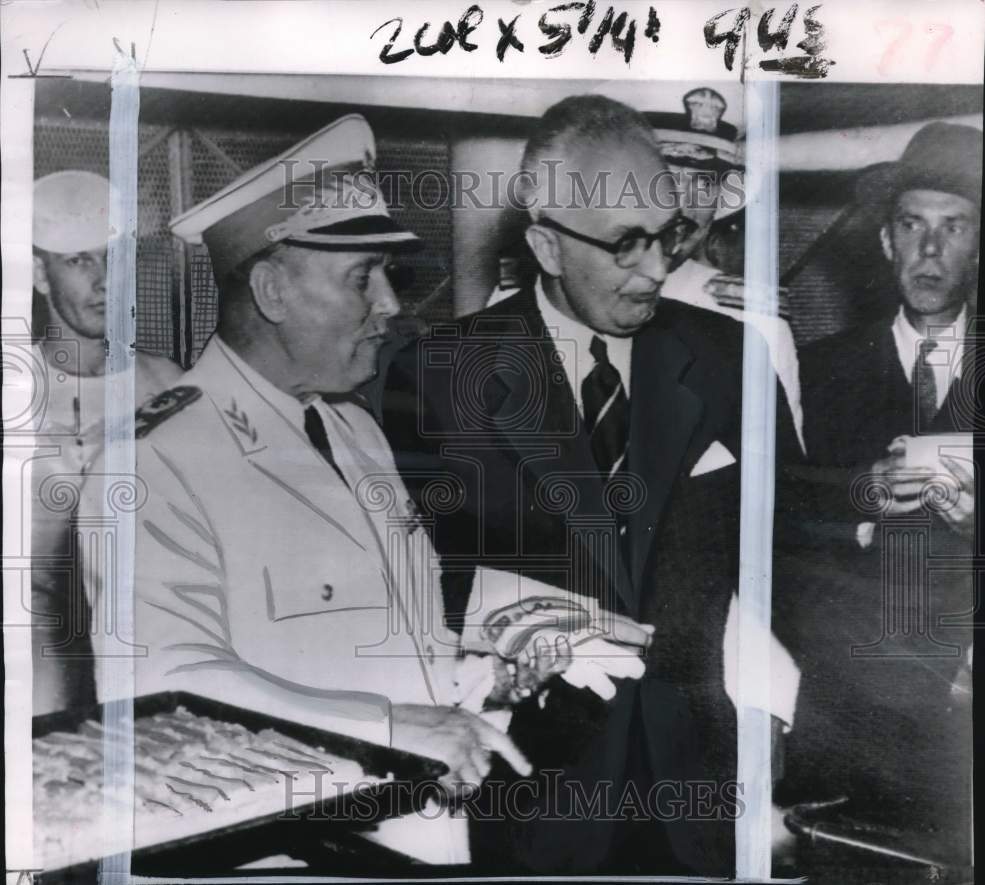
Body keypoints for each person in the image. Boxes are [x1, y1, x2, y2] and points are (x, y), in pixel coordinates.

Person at [77, 114, 645, 865]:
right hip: (283, 854)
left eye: (387, 275)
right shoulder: (154, 462)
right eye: (361, 277)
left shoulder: (352, 430)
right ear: (274, 289)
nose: (391, 304)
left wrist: (488, 679)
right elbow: (163, 679)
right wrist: (388, 723)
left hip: (421, 834)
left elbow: (391, 632)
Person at [383, 95, 800, 875]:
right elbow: (405, 581)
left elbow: (796, 549)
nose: (658, 268)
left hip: (702, 789)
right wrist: (495, 634)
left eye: (669, 234)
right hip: (528, 786)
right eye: (625, 244)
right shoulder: (438, 375)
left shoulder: (730, 359)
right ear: (545, 244)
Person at [776, 122, 978, 864]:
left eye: (953, 227)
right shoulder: (819, 371)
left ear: (980, 245)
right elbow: (775, 532)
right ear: (886, 241)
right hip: (847, 710)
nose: (930, 250)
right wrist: (860, 496)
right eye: (912, 226)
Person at [30, 170, 182, 715]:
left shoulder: (171, 385)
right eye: (79, 260)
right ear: (39, 275)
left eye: (114, 258)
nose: (104, 281)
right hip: (38, 673)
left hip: (146, 665)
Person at [653, 87, 804, 451]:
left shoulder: (756, 322)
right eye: (667, 179)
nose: (685, 206)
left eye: (704, 182)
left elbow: (786, 483)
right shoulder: (542, 299)